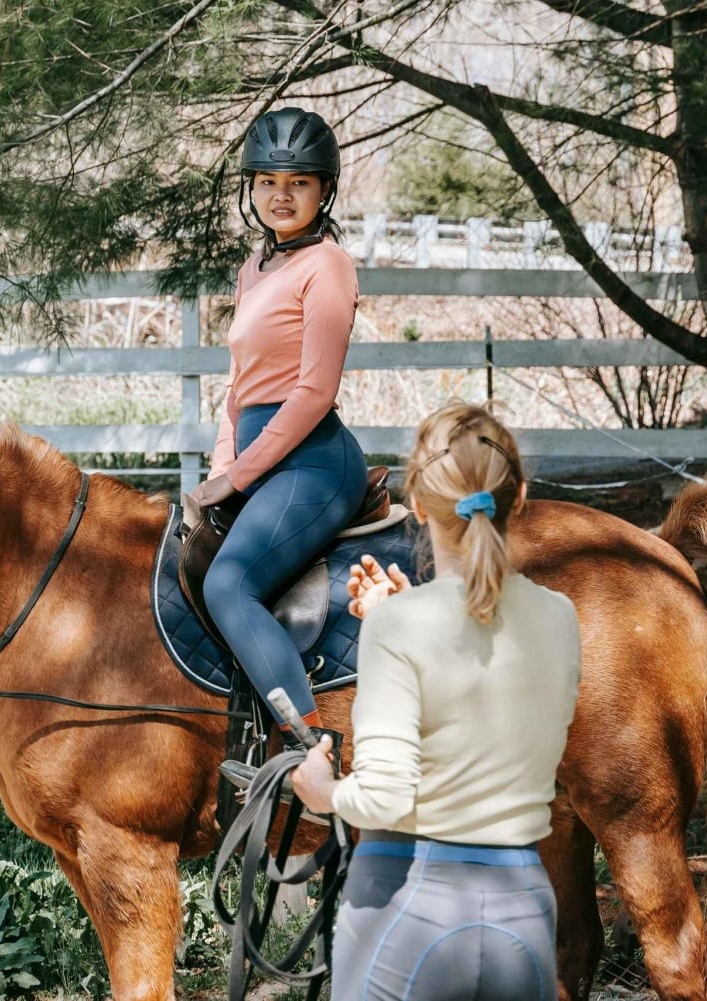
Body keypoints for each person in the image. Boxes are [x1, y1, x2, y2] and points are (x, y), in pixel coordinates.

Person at [291, 403, 582, 1001]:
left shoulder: (401, 626)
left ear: (417, 505)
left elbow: (385, 796)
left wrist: (320, 789)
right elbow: (481, 673)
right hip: (522, 907)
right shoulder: (560, 617)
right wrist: (399, 616)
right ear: (519, 495)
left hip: (407, 903)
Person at [191, 107, 366, 740]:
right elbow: (239, 387)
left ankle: (309, 749)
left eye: (298, 182)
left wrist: (238, 475)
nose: (281, 195)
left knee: (230, 585)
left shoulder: (329, 266)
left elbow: (315, 391)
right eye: (267, 181)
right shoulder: (253, 269)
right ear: (251, 189)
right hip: (258, 455)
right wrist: (219, 471)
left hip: (312, 462)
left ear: (324, 190)